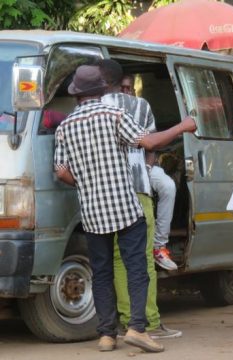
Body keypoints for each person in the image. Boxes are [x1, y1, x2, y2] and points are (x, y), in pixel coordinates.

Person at [54, 64, 196, 353]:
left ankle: (107, 335)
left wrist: (83, 183)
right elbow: (150, 142)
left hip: (93, 211)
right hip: (126, 208)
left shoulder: (65, 126)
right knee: (137, 269)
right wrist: (183, 126)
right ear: (103, 89)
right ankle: (138, 329)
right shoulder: (115, 116)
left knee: (103, 272)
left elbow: (60, 171)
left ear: (77, 95)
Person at [98, 59, 180, 339]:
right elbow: (151, 143)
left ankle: (124, 323)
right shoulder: (138, 106)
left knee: (117, 260)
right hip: (136, 188)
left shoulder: (86, 109)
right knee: (142, 259)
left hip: (104, 192)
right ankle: (149, 324)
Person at [120, 73, 178, 271]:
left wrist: (146, 168)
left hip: (142, 165)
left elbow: (152, 146)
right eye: (123, 88)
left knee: (168, 186)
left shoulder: (142, 107)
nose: (127, 92)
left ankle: (159, 246)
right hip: (117, 170)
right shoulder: (110, 110)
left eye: (130, 89)